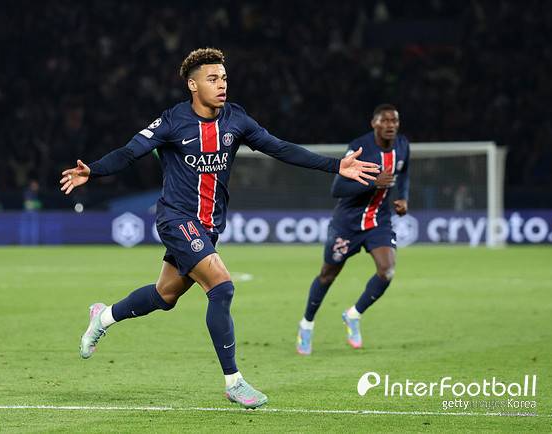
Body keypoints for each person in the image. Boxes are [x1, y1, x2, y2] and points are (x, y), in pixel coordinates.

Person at [59, 48, 379, 408]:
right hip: (176, 219)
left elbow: (279, 148)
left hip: (209, 226)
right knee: (222, 287)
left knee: (165, 297)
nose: (221, 84)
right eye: (212, 79)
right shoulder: (172, 121)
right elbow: (130, 152)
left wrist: (336, 166)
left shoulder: (235, 119)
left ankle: (102, 317)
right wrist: (93, 170)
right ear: (193, 85)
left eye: (224, 77)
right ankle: (234, 382)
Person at [296, 104, 410, 355]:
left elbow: (403, 173)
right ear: (374, 123)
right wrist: (373, 183)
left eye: (394, 120)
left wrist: (403, 197)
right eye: (385, 120)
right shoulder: (360, 148)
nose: (390, 125)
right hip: (347, 225)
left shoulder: (402, 145)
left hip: (379, 222)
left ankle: (353, 315)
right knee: (327, 275)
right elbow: (337, 189)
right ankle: (306, 324)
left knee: (387, 270)